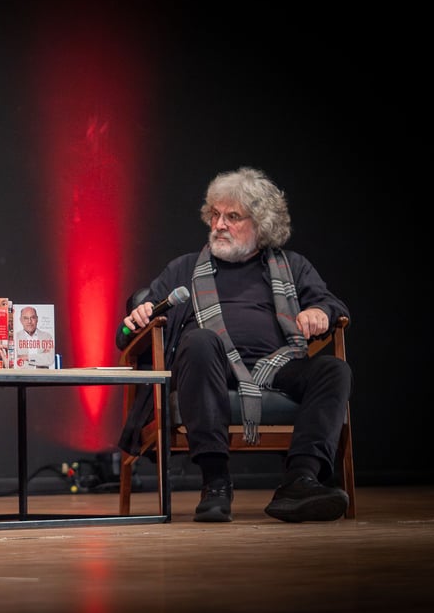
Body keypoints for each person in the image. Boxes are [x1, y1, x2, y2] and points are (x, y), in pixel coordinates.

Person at [116, 167, 351, 524]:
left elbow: (334, 306)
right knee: (200, 341)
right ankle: (215, 483)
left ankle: (300, 480)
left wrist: (320, 311)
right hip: (207, 368)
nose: (218, 224)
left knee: (333, 369)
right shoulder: (183, 269)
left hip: (276, 365)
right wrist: (139, 315)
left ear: (263, 224)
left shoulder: (293, 266)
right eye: (214, 215)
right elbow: (126, 336)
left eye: (232, 216)